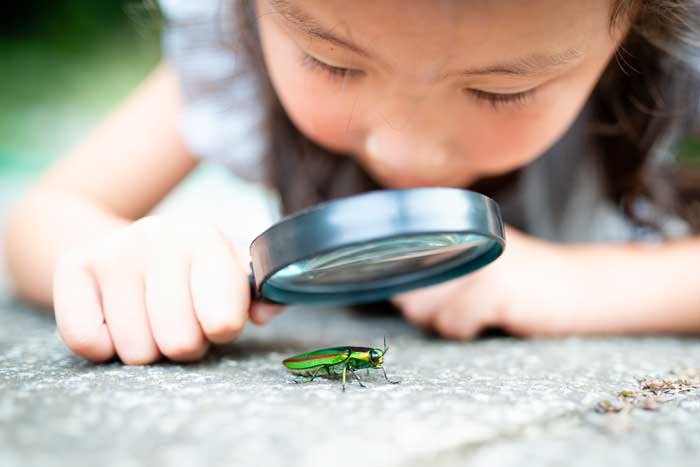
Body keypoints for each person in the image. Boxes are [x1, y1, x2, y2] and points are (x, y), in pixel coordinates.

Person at [4, 0, 700, 365]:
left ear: (636, 28)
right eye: (332, 63)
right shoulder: (233, 60)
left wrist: (584, 284)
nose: (407, 150)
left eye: (499, 90)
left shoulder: (675, 67)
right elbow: (43, 213)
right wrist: (130, 265)